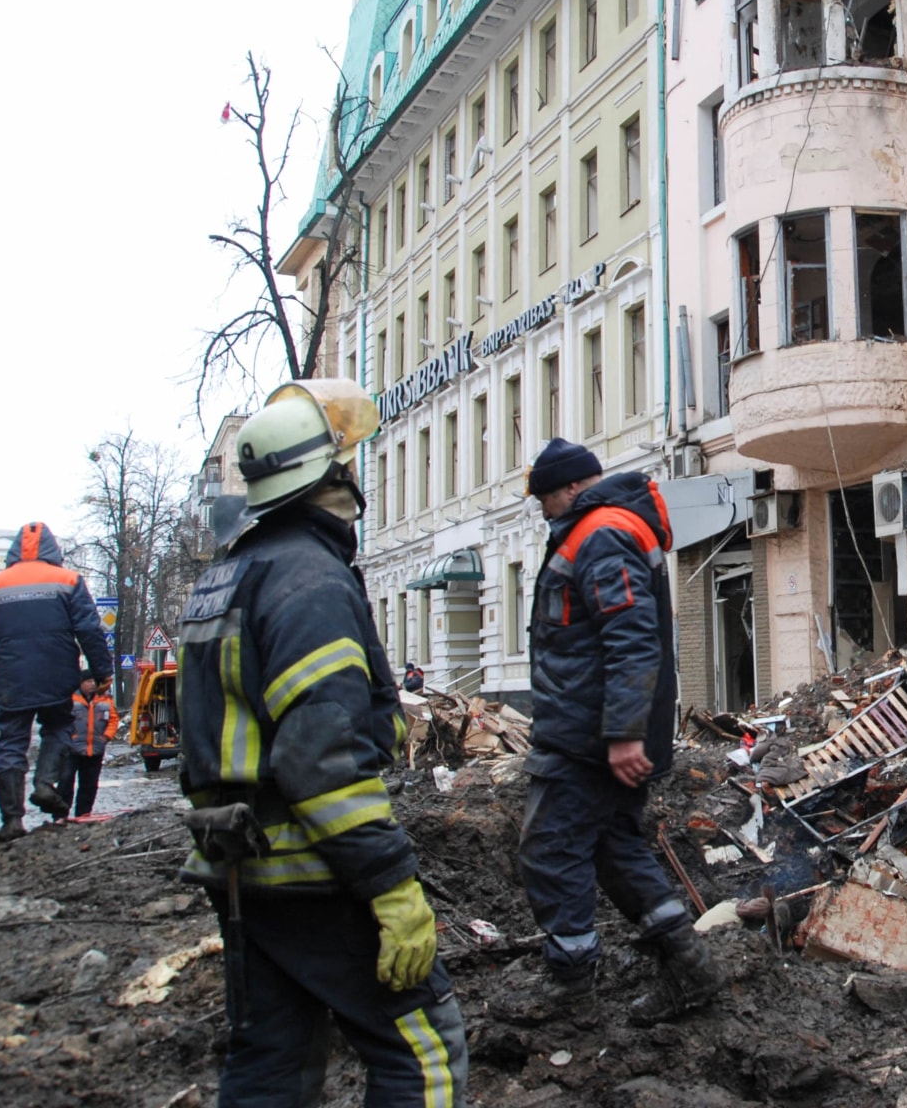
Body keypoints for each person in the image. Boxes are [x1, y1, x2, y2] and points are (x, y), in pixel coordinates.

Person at [176, 379, 466, 1106]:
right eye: (350, 459)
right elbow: (319, 762)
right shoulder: (309, 581)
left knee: (271, 1062)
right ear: (327, 475)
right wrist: (391, 885)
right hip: (311, 868)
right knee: (423, 1055)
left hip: (239, 868)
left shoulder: (229, 574)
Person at [516, 437, 722, 1024]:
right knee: (615, 850)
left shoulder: (600, 533)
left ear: (570, 488)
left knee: (550, 849)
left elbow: (631, 641)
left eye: (545, 499)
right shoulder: (606, 530)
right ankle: (690, 970)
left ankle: (570, 988)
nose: (543, 511)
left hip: (588, 738)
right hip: (597, 733)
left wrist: (623, 734)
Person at [0, 522, 112, 842]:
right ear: (51, 550)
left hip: (11, 679)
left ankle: (12, 819)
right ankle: (45, 783)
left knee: (11, 743)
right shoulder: (68, 580)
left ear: (15, 550)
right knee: (57, 728)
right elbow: (89, 629)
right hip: (58, 676)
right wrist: (102, 671)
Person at [56, 676, 119, 819]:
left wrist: (106, 737)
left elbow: (113, 720)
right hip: (71, 750)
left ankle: (83, 815)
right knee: (65, 782)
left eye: (93, 682)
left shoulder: (105, 700)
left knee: (89, 785)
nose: (92, 685)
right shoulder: (70, 700)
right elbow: (62, 721)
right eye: (88, 681)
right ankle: (60, 815)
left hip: (95, 750)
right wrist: (70, 738)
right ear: (81, 683)